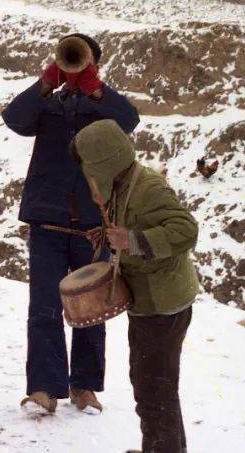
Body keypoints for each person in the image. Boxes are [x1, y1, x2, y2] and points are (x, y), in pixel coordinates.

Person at [1, 32, 140, 415]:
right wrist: (46, 83)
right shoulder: (47, 105)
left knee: (92, 306)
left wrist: (97, 91)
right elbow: (14, 118)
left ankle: (84, 387)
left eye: (84, 61)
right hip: (47, 221)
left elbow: (131, 120)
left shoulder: (105, 108)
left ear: (95, 66)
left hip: (93, 224)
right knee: (43, 307)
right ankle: (45, 389)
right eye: (70, 59)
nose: (76, 66)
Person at [72, 119, 198, 453]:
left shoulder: (149, 188)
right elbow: (132, 226)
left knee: (155, 389)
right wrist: (110, 237)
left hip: (162, 304)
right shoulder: (123, 185)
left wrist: (133, 240)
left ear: (103, 163)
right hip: (149, 301)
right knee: (149, 385)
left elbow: (186, 231)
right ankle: (161, 447)